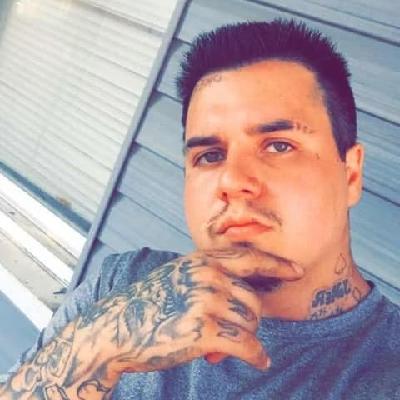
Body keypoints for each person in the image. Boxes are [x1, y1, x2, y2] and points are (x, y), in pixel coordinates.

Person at [1, 18, 399, 400]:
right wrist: (99, 346)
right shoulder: (122, 285)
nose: (231, 180)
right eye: (210, 155)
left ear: (350, 174)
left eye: (279, 146)